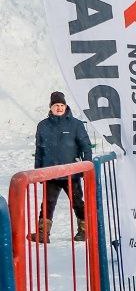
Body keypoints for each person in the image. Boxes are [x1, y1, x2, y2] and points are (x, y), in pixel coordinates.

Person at [32, 91, 92, 243]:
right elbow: (39, 149)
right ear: (51, 107)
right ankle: (42, 233)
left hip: (71, 172)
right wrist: (38, 170)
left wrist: (86, 166)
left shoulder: (76, 125)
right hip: (50, 172)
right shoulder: (43, 125)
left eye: (61, 105)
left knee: (77, 202)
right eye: (56, 105)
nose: (59, 108)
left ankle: (84, 230)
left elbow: (86, 146)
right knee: (47, 203)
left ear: (65, 106)